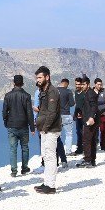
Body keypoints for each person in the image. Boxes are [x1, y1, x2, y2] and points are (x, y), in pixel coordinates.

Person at [34, 66, 62, 194]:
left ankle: (50, 186)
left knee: (50, 157)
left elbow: (52, 113)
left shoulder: (52, 92)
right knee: (45, 156)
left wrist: (44, 128)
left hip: (51, 129)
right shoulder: (43, 91)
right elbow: (44, 110)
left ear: (47, 77)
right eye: (37, 78)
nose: (38, 80)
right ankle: (46, 182)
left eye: (40, 77)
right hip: (44, 129)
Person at [2, 74, 34, 177]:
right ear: (23, 83)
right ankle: (24, 168)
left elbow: (4, 112)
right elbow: (29, 113)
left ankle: (14, 171)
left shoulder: (7, 96)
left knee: (13, 148)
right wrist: (32, 127)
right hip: (24, 125)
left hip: (11, 125)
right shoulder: (27, 96)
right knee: (25, 147)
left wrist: (6, 121)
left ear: (13, 83)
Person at [75, 78, 99, 168]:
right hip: (89, 118)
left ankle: (87, 160)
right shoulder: (87, 93)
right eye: (81, 84)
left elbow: (94, 106)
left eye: (84, 84)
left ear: (88, 84)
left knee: (86, 140)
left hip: (90, 120)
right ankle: (92, 160)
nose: (82, 86)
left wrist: (91, 117)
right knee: (91, 140)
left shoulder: (90, 93)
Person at [57, 78, 75, 163]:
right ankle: (68, 151)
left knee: (58, 135)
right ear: (67, 84)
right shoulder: (68, 91)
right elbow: (72, 104)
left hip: (57, 116)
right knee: (69, 133)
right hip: (66, 114)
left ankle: (58, 152)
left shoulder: (55, 91)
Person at [94, 79, 105, 151]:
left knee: (104, 130)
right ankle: (94, 144)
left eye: (101, 84)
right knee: (94, 130)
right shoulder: (92, 92)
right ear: (95, 84)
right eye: (98, 84)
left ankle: (103, 145)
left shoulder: (104, 91)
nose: (99, 86)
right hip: (95, 114)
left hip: (103, 114)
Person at [72, 78, 86, 155]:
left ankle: (85, 147)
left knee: (85, 132)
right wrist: (75, 114)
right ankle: (79, 148)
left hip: (84, 115)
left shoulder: (84, 93)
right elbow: (77, 105)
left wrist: (82, 113)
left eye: (78, 84)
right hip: (78, 116)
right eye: (76, 84)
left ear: (81, 84)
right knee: (78, 132)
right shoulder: (76, 93)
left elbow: (86, 105)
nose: (77, 86)